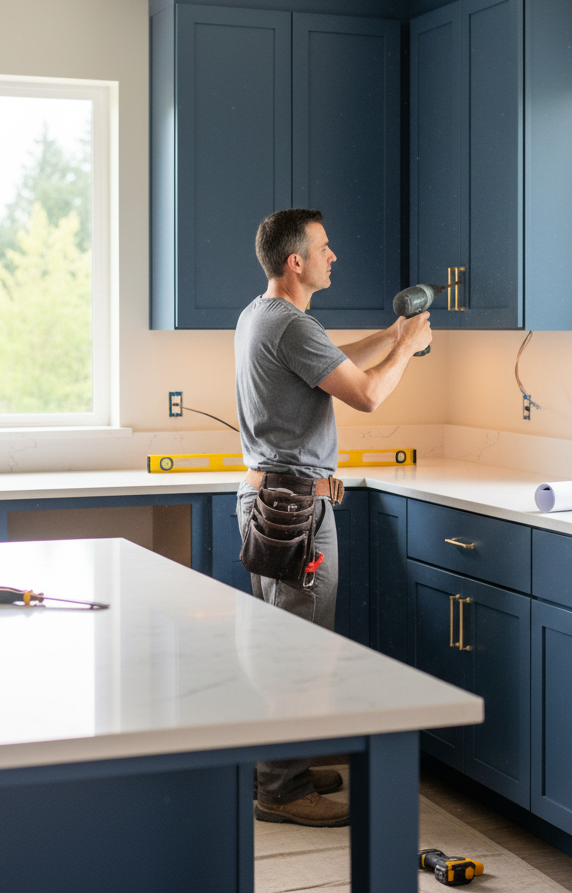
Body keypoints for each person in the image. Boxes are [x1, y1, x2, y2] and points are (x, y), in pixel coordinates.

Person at [234, 207, 432, 827]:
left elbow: (333, 362)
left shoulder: (263, 315)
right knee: (300, 652)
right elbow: (368, 393)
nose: (333, 255)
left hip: (268, 500)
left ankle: (279, 765)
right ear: (297, 261)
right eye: (325, 247)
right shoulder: (291, 325)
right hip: (297, 507)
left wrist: (393, 335)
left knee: (276, 644)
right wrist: (409, 348)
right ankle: (283, 790)